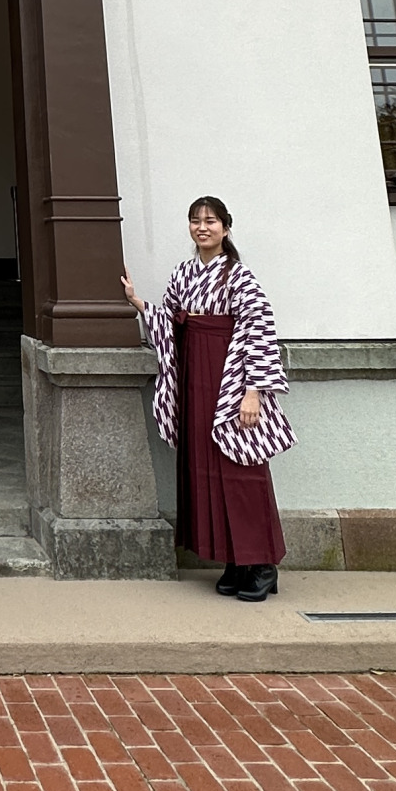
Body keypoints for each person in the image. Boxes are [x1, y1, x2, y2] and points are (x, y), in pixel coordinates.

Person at [122, 194, 293, 602]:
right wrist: (138, 303)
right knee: (205, 466)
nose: (202, 227)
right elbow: (171, 320)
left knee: (241, 466)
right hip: (194, 375)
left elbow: (259, 329)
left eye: (211, 220)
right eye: (196, 220)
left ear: (226, 228)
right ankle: (234, 560)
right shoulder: (183, 273)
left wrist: (253, 391)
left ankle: (262, 563)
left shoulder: (239, 276)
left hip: (230, 376)